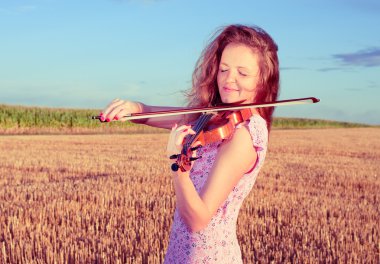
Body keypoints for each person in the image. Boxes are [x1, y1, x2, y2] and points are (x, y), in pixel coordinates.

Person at [100, 24, 279, 263]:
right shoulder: (217, 116)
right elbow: (170, 116)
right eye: (223, 69)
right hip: (186, 253)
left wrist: (178, 166)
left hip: (208, 257)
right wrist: (137, 109)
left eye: (242, 73)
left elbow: (198, 219)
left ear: (263, 79)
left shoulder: (244, 134)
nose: (228, 80)